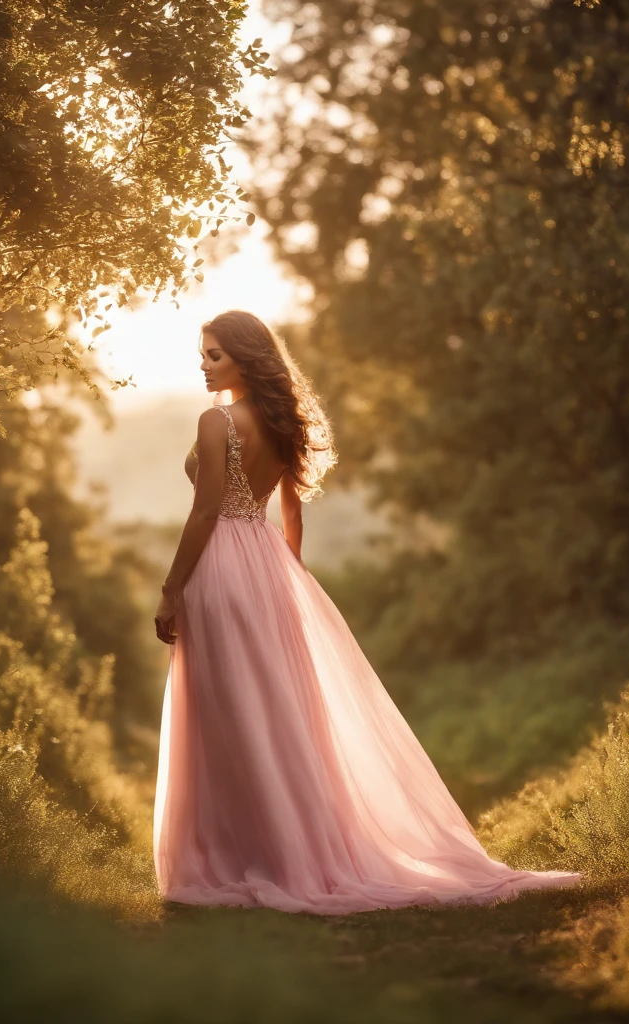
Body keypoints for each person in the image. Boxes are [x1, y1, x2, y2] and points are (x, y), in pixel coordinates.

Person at [152, 309, 579, 914]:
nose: (204, 363)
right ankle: (291, 849)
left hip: (221, 565)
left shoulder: (217, 420)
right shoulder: (282, 420)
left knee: (229, 707)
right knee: (274, 708)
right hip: (269, 565)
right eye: (204, 353)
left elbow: (204, 513)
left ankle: (242, 854)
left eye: (215, 354)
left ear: (246, 357)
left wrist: (173, 589)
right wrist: (288, 579)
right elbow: (293, 515)